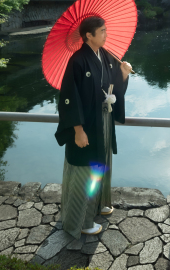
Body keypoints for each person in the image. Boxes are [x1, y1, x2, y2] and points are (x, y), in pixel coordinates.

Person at [55, 16, 132, 238]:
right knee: (85, 171)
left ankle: (98, 206)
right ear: (88, 35)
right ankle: (81, 222)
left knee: (102, 164)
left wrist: (123, 75)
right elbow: (69, 98)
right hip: (86, 124)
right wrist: (78, 130)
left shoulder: (106, 57)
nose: (106, 34)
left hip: (104, 121)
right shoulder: (77, 61)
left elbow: (111, 87)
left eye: (106, 30)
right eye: (102, 31)